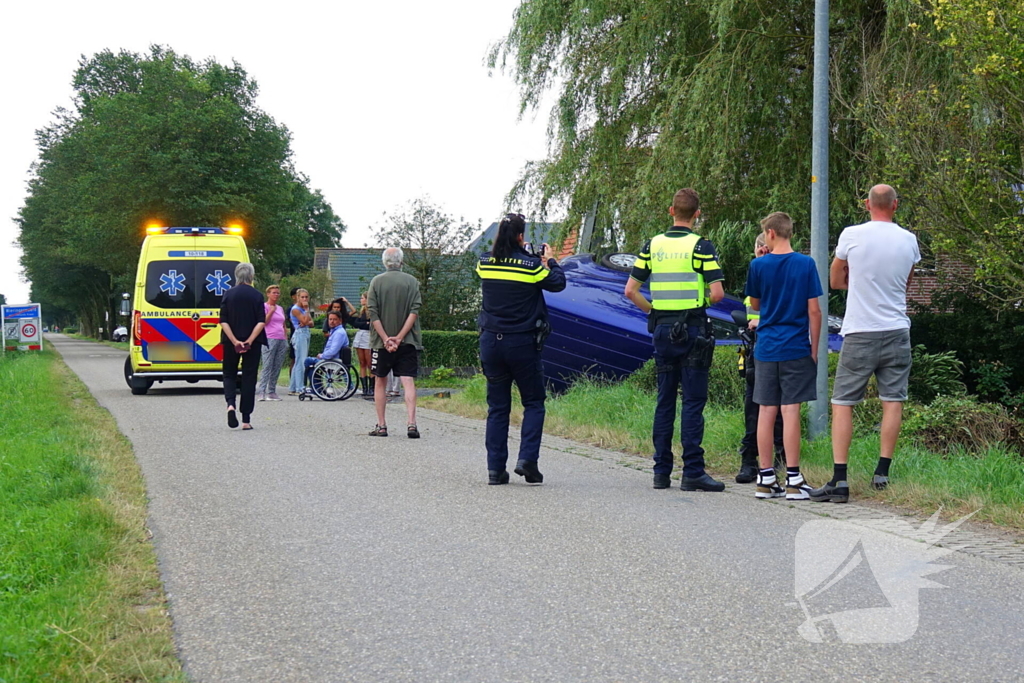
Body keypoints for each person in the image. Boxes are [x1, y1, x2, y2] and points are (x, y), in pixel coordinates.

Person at [811, 184, 921, 503]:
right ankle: (882, 473)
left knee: (843, 402)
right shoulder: (909, 240)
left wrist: (857, 281)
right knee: (893, 399)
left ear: (866, 204)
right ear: (895, 205)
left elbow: (834, 280)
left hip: (861, 330)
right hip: (898, 329)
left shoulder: (851, 235)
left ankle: (840, 480)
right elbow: (906, 284)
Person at [624, 188, 726, 492]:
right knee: (693, 403)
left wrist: (655, 311)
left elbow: (630, 290)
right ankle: (692, 471)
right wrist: (697, 305)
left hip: (662, 332)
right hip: (693, 330)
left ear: (671, 211)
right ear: (697, 214)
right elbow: (718, 293)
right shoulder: (701, 247)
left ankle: (660, 471)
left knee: (664, 401)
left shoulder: (651, 245)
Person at [477, 213, 567, 485]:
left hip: (491, 342)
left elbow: (500, 262)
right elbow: (557, 283)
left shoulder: (484, 263)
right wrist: (550, 260)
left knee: (498, 407)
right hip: (522, 344)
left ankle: (495, 470)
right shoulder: (530, 266)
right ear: (520, 236)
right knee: (534, 402)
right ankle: (527, 460)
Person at [743, 212, 822, 500]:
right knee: (791, 412)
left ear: (772, 234)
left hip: (766, 348)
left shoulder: (758, 265)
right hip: (795, 347)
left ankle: (765, 477)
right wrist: (813, 350)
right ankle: (793, 479)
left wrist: (760, 261)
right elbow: (814, 311)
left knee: (766, 411)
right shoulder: (806, 264)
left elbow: (755, 304)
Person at [736, 233, 786, 483]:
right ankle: (749, 460)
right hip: (757, 349)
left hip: (782, 346)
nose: (764, 253)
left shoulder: (787, 271)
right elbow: (753, 312)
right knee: (753, 407)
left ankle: (780, 458)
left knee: (779, 409)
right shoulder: (755, 273)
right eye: (760, 250)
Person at [366, 247, 423, 438]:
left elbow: (372, 312)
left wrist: (385, 338)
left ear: (385, 262)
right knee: (408, 381)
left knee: (380, 381)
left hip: (381, 342)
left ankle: (382, 426)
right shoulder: (412, 282)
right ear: (401, 261)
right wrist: (399, 337)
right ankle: (411, 423)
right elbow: (414, 311)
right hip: (408, 341)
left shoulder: (376, 282)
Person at [219, 262, 267, 430]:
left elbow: (223, 320)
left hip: (231, 340)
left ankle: (230, 405)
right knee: (249, 376)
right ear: (251, 276)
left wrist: (234, 341)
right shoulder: (257, 296)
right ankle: (246, 419)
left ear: (236, 276)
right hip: (252, 343)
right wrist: (249, 340)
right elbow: (261, 321)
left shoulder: (228, 294)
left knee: (229, 374)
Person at [301, 310, 351, 386]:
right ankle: (316, 386)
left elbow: (333, 351)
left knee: (308, 361)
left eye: (334, 319)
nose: (332, 321)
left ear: (340, 321)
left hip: (332, 361)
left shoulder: (339, 333)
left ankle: (316, 387)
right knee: (312, 362)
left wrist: (322, 355)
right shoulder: (334, 331)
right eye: (330, 319)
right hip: (331, 359)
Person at [257, 284, 288, 401]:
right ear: (268, 294)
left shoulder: (280, 308)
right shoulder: (264, 306)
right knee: (267, 365)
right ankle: (262, 391)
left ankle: (272, 391)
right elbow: (263, 322)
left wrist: (285, 338)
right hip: (269, 337)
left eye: (277, 293)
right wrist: (270, 311)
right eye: (274, 293)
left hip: (281, 338)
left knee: (277, 366)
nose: (276, 295)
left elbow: (283, 323)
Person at [287, 289, 314, 395]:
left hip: (306, 332)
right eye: (302, 297)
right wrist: (307, 313)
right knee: (301, 361)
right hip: (299, 333)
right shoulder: (296, 309)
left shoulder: (303, 309)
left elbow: (311, 323)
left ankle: (293, 387)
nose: (304, 299)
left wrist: (306, 320)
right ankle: (299, 387)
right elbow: (305, 321)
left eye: (306, 297)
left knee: (299, 360)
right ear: (297, 297)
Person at [350, 291, 374, 397]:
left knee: (370, 363)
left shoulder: (372, 311)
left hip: (368, 336)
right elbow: (356, 323)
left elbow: (370, 325)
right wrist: (364, 323)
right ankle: (364, 387)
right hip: (360, 336)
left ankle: (372, 387)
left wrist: (364, 324)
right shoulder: (362, 311)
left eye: (362, 298)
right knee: (362, 362)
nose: (361, 300)